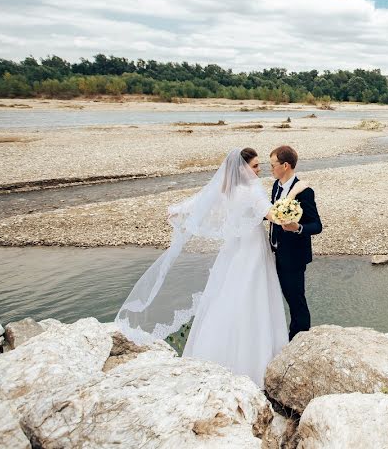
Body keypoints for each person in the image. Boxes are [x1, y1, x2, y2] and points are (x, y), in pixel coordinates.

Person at [115, 147, 303, 387]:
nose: (259, 170)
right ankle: (257, 363)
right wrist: (295, 193)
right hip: (252, 249)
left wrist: (177, 210)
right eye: (255, 166)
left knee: (226, 296)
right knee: (254, 297)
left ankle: (214, 354)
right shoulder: (250, 191)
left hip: (233, 249)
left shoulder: (226, 190)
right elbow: (273, 215)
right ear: (242, 169)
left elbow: (201, 201)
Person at [267, 145, 322, 340]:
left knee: (296, 300)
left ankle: (300, 340)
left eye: (273, 165)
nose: (270, 168)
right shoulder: (276, 186)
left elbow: (317, 225)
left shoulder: (304, 191)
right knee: (277, 297)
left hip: (294, 257)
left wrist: (298, 228)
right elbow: (272, 213)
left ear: (285, 165)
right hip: (274, 253)